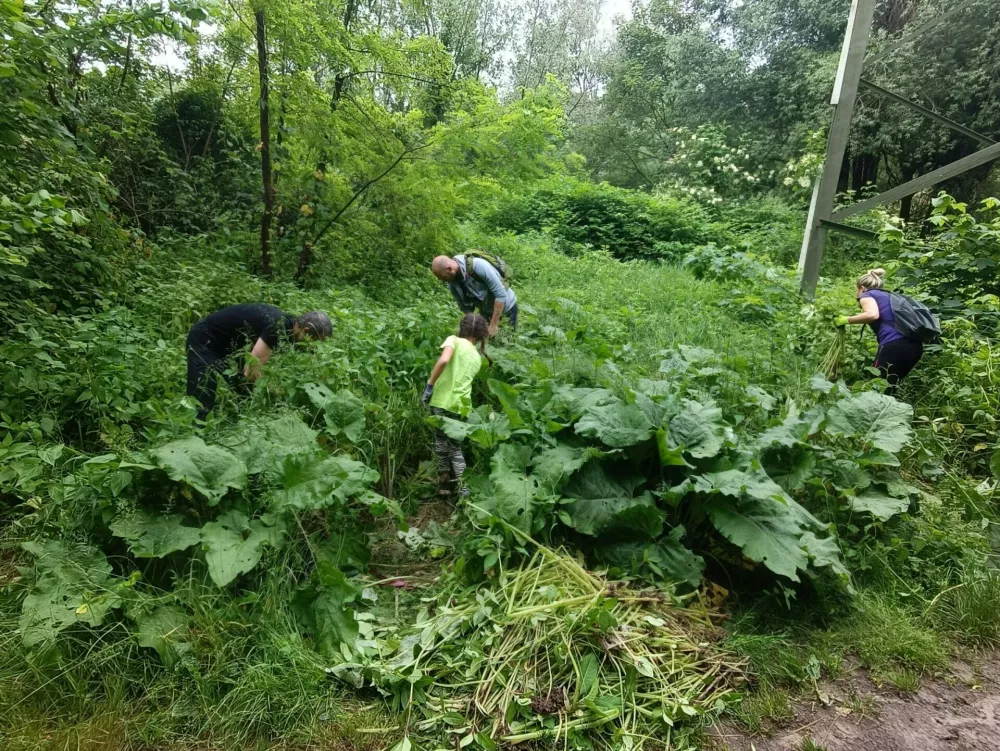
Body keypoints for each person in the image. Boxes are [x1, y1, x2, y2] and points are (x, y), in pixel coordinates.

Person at [186, 304, 332, 419]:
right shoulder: (277, 326)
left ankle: (237, 425)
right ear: (305, 331)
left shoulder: (291, 329)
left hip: (230, 345)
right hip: (204, 338)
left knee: (244, 392)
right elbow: (251, 372)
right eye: (315, 342)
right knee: (203, 394)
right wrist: (273, 390)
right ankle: (194, 436)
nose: (314, 347)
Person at [421, 313, 491, 498]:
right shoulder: (477, 357)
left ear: (462, 328)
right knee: (455, 446)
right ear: (481, 334)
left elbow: (444, 360)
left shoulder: (454, 340)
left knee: (440, 440)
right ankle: (463, 488)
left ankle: (443, 482)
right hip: (461, 407)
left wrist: (429, 385)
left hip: (440, 401)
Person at [834, 268, 923, 386]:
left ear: (862, 287)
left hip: (894, 345)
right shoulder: (889, 296)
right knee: (891, 386)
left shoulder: (867, 295)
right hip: (915, 347)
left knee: (877, 385)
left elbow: (872, 315)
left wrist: (846, 320)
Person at [431, 253, 518, 337]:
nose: (442, 280)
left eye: (443, 277)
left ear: (449, 269)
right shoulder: (452, 283)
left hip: (507, 307)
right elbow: (465, 308)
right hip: (486, 311)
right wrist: (469, 328)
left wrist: (493, 325)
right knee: (487, 342)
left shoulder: (479, 266)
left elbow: (500, 295)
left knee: (508, 341)